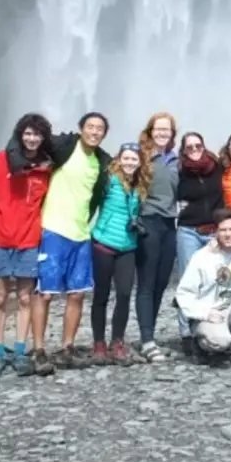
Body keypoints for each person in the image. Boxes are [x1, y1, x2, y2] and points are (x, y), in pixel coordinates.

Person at [29, 112, 113, 375]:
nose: (95, 132)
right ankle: (39, 350)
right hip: (53, 228)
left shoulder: (102, 161)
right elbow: (30, 140)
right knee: (46, 292)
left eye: (100, 129)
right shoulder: (64, 146)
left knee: (77, 293)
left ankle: (68, 347)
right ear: (81, 129)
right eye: (90, 127)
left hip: (81, 233)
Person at [0, 113, 53, 376]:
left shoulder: (47, 167)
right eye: (28, 133)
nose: (32, 138)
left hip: (30, 240)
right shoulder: (1, 160)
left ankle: (21, 350)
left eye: (37, 134)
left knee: (25, 297)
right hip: (0, 238)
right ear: (20, 135)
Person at [173, 208, 231, 366]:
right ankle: (203, 344)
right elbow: (183, 294)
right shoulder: (202, 257)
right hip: (208, 314)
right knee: (222, 340)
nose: (228, 234)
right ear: (215, 231)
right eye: (223, 230)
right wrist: (205, 313)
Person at [89, 142, 148, 365]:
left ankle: (117, 341)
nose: (130, 162)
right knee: (101, 295)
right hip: (103, 243)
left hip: (128, 246)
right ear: (118, 159)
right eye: (126, 158)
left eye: (134, 159)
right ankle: (98, 343)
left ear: (140, 162)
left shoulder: (141, 185)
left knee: (124, 294)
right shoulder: (108, 180)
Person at [173, 131, 226, 357]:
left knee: (215, 280)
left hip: (213, 231)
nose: (194, 150)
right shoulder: (178, 171)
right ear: (183, 150)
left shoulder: (217, 167)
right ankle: (186, 334)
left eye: (198, 146)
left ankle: (209, 329)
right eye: (189, 147)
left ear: (204, 146)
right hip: (188, 231)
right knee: (188, 282)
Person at [133, 113, 180, 361]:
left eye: (167, 130)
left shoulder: (175, 160)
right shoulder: (140, 157)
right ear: (150, 131)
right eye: (158, 129)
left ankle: (149, 337)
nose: (162, 133)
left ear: (173, 134)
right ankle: (147, 339)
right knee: (147, 282)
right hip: (148, 223)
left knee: (161, 282)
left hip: (169, 224)